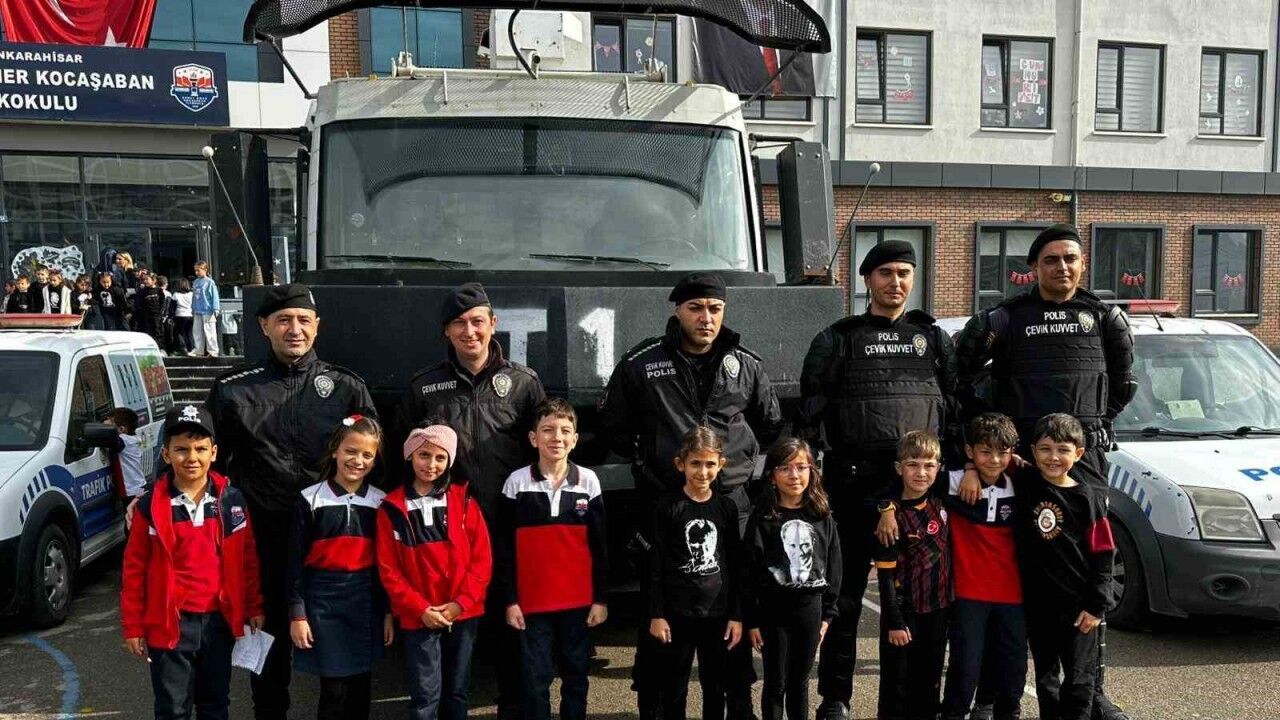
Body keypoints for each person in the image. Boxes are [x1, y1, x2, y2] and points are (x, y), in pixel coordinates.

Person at [953, 223, 1135, 720]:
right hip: (1018, 464)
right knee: (1010, 571)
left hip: (1082, 462)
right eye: (1051, 259)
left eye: (1070, 258)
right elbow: (959, 383)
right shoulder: (1004, 319)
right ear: (1033, 267)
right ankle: (993, 691)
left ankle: (1091, 691)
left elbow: (1123, 385)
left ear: (1082, 264)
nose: (1062, 267)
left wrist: (1082, 436)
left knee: (1085, 571)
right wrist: (985, 452)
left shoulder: (1104, 318)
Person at [600, 271, 782, 720]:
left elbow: (770, 425)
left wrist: (739, 471)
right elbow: (613, 426)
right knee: (660, 617)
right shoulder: (642, 363)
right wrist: (651, 461)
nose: (706, 318)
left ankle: (737, 707)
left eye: (715, 309)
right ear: (678, 310)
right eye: (696, 308)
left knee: (733, 611)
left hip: (731, 505)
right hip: (666, 504)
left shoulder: (745, 364)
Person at [797, 240, 956, 720]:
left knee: (921, 601)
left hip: (919, 493)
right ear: (867, 279)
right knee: (845, 598)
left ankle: (914, 701)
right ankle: (835, 697)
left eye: (904, 272)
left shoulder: (933, 339)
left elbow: (955, 406)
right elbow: (810, 412)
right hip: (854, 487)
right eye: (885, 273)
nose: (896, 282)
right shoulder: (838, 339)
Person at [205, 283, 376, 720]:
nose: (294, 329)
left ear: (317, 326)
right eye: (283, 320)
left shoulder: (346, 387)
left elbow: (375, 463)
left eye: (303, 320)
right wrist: (154, 493)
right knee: (269, 647)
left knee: (342, 661)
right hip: (264, 541)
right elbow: (203, 459)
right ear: (264, 326)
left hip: (332, 546)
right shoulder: (233, 390)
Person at [400, 282, 544, 720]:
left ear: (493, 324)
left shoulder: (523, 383)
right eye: (459, 324)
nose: (470, 331)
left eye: (478, 321)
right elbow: (402, 460)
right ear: (446, 331)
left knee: (512, 626)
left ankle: (513, 708)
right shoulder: (425, 387)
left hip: (509, 524)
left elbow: (542, 452)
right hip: (450, 535)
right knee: (454, 637)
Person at [120, 403, 265, 720]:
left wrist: (253, 606)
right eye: (181, 449)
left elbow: (248, 560)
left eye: (200, 449)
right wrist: (133, 625)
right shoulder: (149, 507)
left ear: (214, 452)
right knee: (173, 708)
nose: (192, 457)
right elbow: (134, 571)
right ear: (166, 454)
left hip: (218, 623)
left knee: (215, 704)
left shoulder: (231, 500)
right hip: (169, 624)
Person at [496, 398, 607, 720]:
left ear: (575, 439)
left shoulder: (589, 481)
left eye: (564, 431)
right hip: (532, 605)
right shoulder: (516, 483)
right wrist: (510, 600)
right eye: (547, 430)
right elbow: (504, 550)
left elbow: (600, 547)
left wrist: (600, 599)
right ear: (533, 438)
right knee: (536, 678)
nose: (556, 437)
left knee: (576, 674)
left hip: (579, 603)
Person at [379, 423, 493, 720]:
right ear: (410, 456)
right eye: (424, 455)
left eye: (440, 457)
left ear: (450, 461)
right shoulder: (391, 507)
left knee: (457, 691)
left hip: (462, 613)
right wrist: (420, 609)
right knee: (424, 696)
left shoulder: (465, 501)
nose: (431, 464)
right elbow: (389, 569)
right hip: (419, 615)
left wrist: (460, 604)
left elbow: (482, 562)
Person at [288, 415, 393, 720]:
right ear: (335, 450)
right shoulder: (310, 499)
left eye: (367, 455)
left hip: (363, 602)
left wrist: (387, 612)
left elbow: (385, 565)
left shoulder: (380, 502)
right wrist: (297, 614)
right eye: (350, 451)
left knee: (360, 687)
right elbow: (294, 563)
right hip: (323, 603)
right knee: (334, 690)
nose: (357, 460)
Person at [1012, 414, 1116, 720]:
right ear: (1033, 451)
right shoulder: (1026, 483)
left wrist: (1096, 605)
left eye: (1063, 450)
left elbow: (1103, 552)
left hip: (1079, 608)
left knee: (1080, 680)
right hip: (1038, 606)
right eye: (1045, 449)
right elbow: (996, 459)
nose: (1053, 457)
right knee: (1046, 678)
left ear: (1079, 453)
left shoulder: (1087, 498)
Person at [648, 426, 744, 720]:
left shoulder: (726, 508)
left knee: (715, 685)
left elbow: (735, 565)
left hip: (717, 615)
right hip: (677, 614)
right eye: (695, 463)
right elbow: (656, 564)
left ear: (721, 464)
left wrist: (736, 615)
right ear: (681, 464)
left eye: (710, 464)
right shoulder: (668, 507)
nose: (703, 472)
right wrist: (657, 614)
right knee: (674, 687)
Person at [744, 437, 842, 720]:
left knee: (800, 682)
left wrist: (827, 615)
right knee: (776, 682)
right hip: (773, 614)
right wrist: (752, 619)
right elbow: (749, 572)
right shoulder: (763, 518)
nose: (794, 475)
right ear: (772, 475)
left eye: (801, 467)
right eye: (785, 468)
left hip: (810, 612)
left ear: (812, 471)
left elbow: (834, 567)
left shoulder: (821, 516)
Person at [937, 414, 1026, 720]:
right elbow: (908, 483)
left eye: (1003, 452)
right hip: (968, 594)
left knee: (1013, 672)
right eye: (985, 452)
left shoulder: (1022, 480)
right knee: (964, 669)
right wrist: (969, 469)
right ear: (969, 451)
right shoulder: (953, 481)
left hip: (1013, 596)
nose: (995, 460)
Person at [873, 431, 951, 720]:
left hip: (938, 609)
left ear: (938, 468)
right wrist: (893, 620)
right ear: (899, 468)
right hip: (904, 613)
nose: (921, 472)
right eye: (912, 465)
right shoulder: (890, 521)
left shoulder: (941, 499)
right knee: (897, 682)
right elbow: (884, 577)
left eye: (929, 465)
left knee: (929, 679)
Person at [107, 407, 147, 499]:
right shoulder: (132, 439)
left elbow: (109, 440)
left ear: (121, 429)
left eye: (110, 425)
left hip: (131, 491)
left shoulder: (124, 440)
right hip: (138, 486)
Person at [192, 261, 221, 357]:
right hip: (197, 310)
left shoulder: (210, 282)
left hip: (208, 310)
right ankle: (198, 350)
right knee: (197, 331)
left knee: (210, 331)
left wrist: (216, 308)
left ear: (205, 270)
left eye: (198, 270)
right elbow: (194, 297)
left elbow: (214, 296)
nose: (196, 272)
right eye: (195, 270)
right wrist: (193, 308)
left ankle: (213, 351)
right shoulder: (195, 282)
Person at [135, 272, 169, 349]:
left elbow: (162, 302)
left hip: (156, 316)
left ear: (154, 280)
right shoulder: (142, 291)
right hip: (146, 316)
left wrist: (160, 313)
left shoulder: (159, 290)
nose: (145, 281)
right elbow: (139, 303)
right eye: (144, 279)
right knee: (147, 332)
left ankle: (159, 347)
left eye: (147, 279)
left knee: (158, 331)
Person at [170, 277, 195, 356]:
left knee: (179, 332)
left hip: (179, 315)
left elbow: (172, 307)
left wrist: (171, 316)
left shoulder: (176, 295)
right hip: (190, 315)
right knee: (189, 333)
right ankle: (191, 348)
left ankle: (183, 348)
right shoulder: (191, 294)